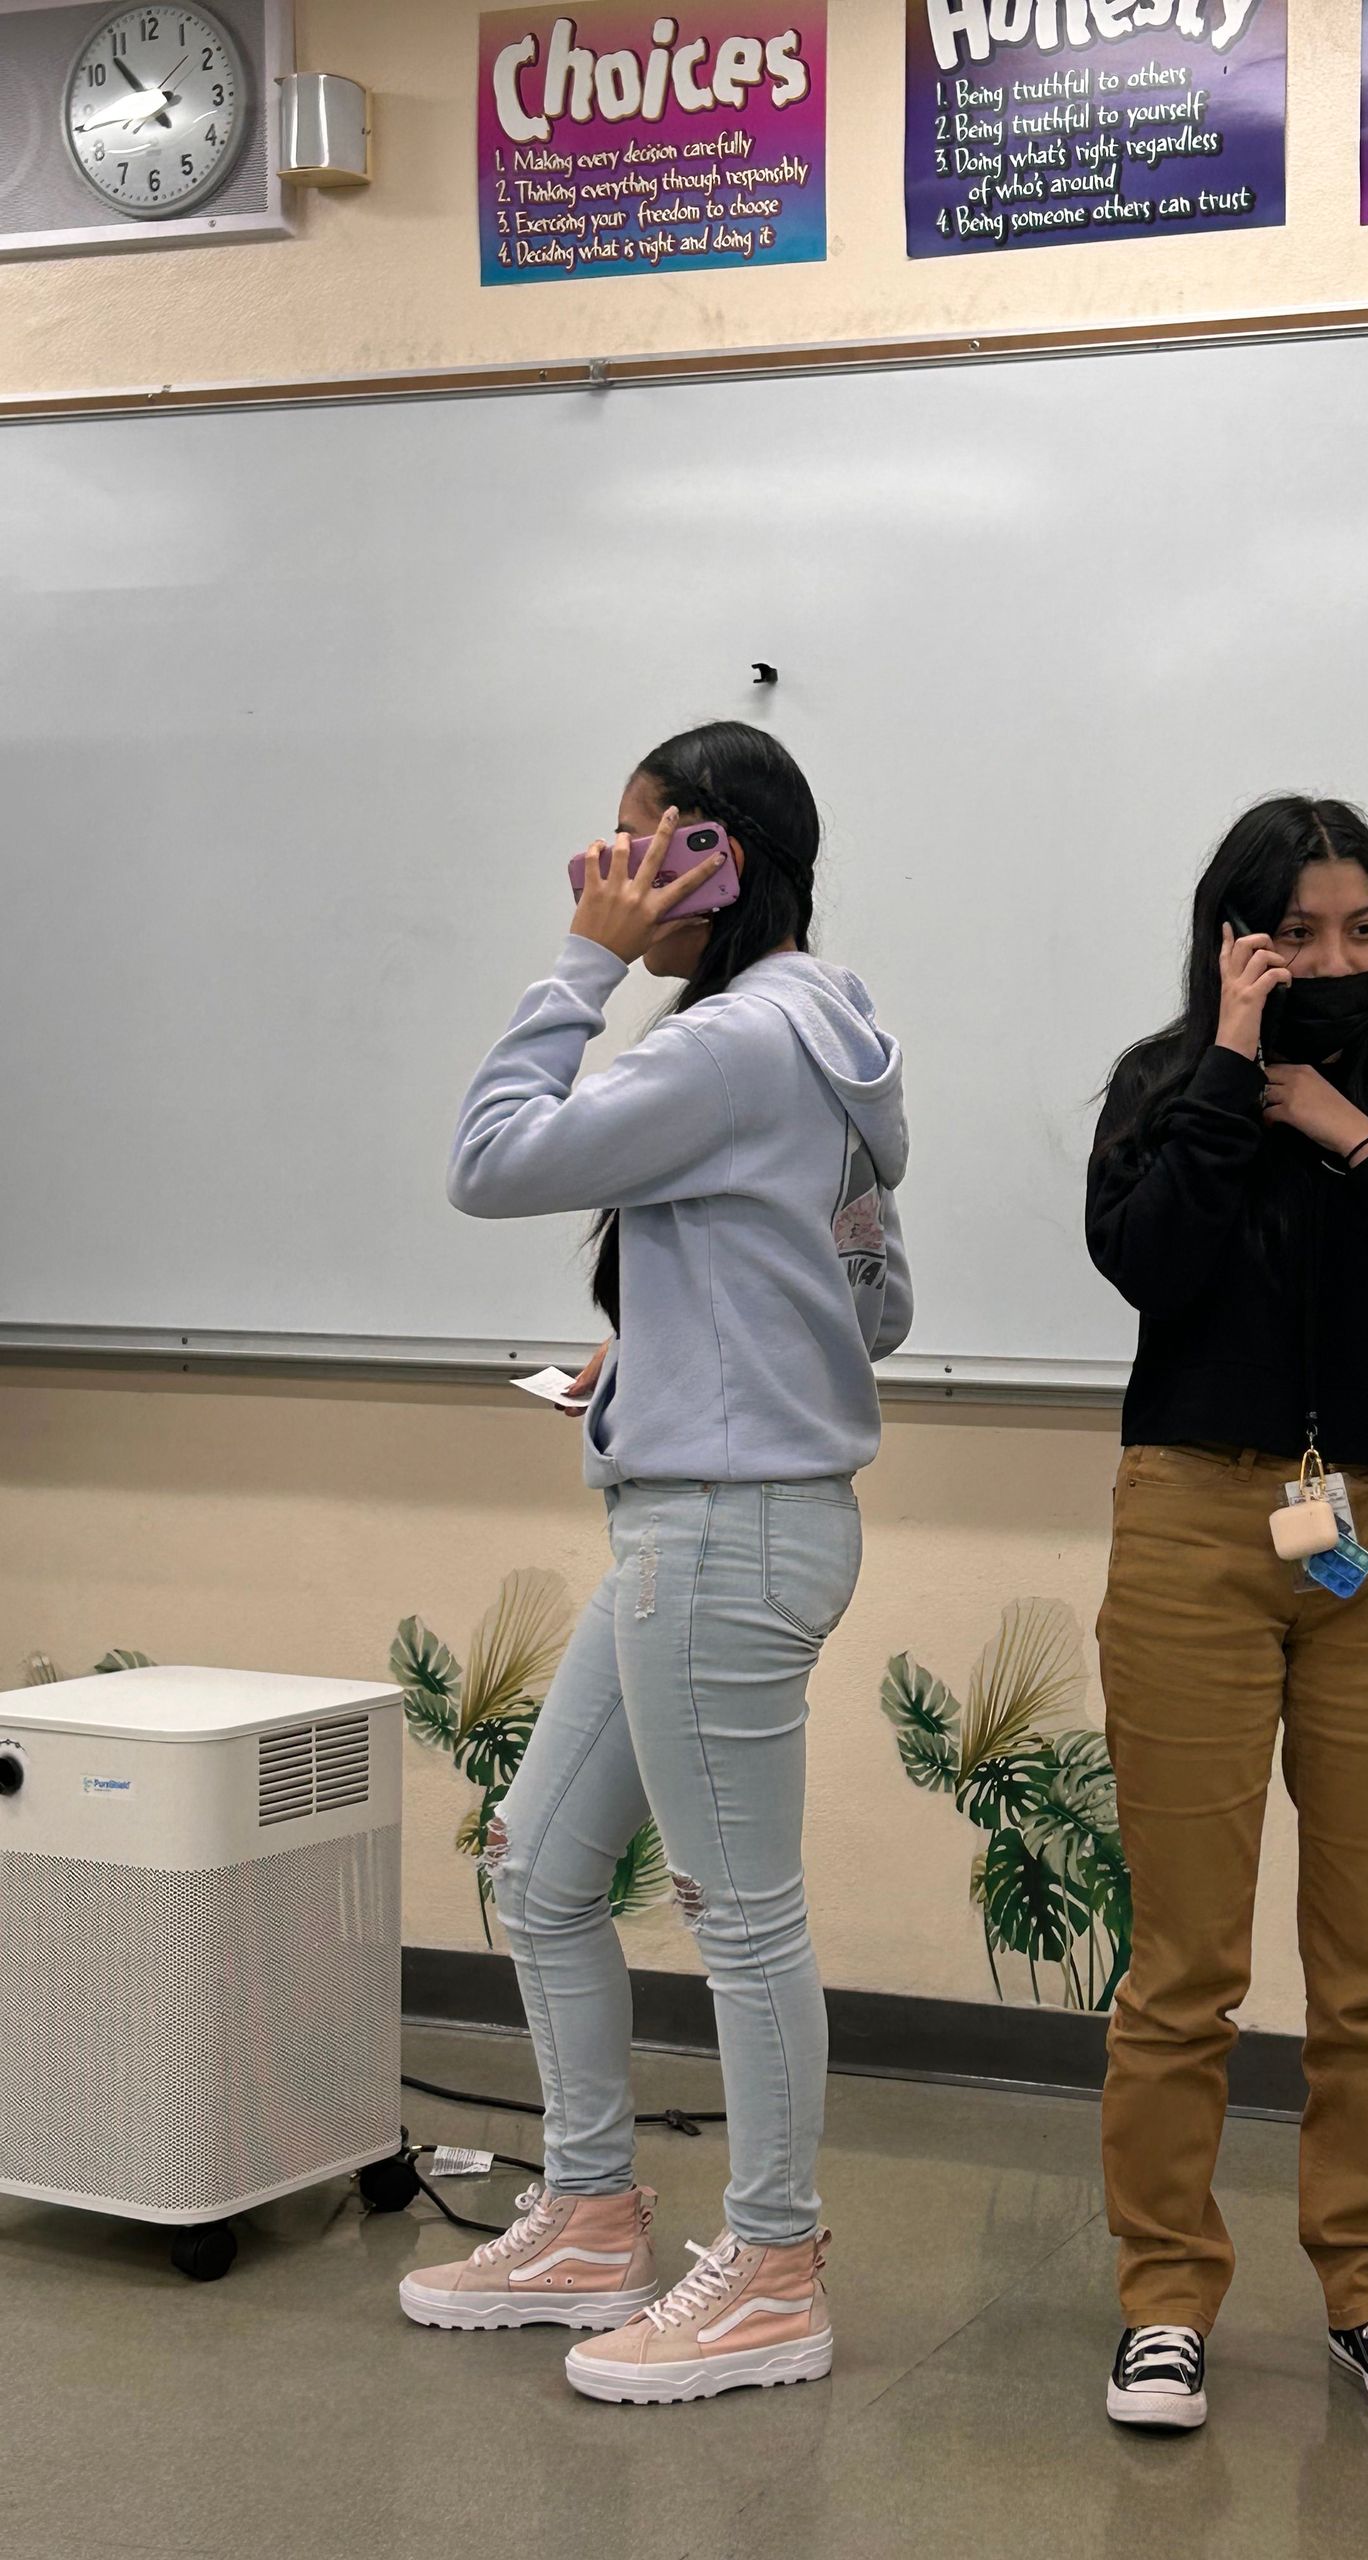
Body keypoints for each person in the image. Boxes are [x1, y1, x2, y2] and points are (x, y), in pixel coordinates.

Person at [401, 721, 911, 2409]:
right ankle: (593, 2213)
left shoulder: (733, 1046)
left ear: (716, 860)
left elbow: (490, 1159)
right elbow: (870, 1304)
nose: (605, 872)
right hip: (707, 1505)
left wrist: (579, 967)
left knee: (741, 1917)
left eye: (635, 844)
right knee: (543, 1873)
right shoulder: (821, 1042)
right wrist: (685, 1345)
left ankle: (772, 2268)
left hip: (725, 1528)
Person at [1088, 796, 1368, 2431]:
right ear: (1235, 940)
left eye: (1366, 932)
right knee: (1183, 1967)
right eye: (1301, 935)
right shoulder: (1163, 1091)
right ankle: (1163, 2301)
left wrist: (1355, 1136)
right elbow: (1148, 1263)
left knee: (1367, 1972)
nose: (1338, 960)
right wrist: (1231, 1071)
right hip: (1199, 1529)